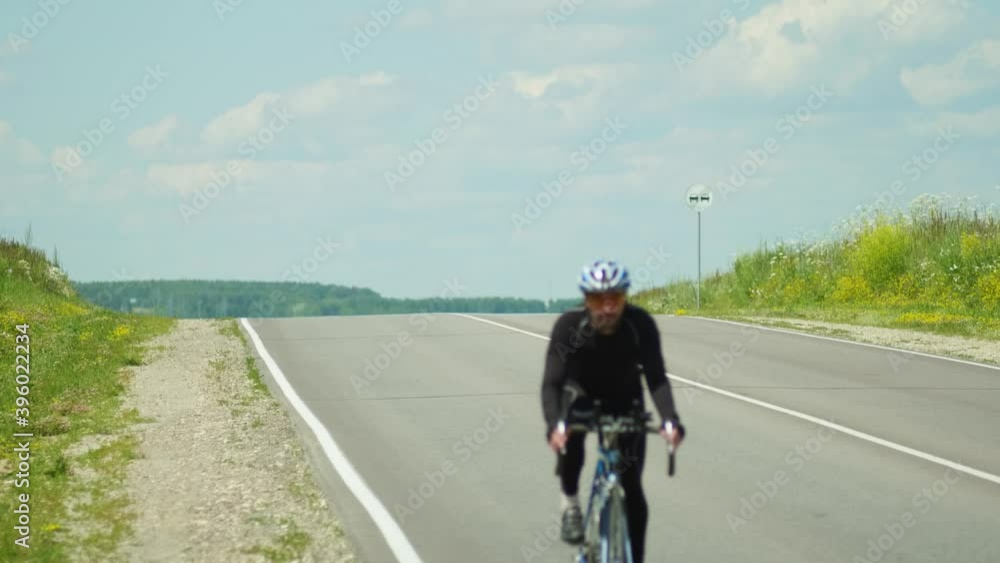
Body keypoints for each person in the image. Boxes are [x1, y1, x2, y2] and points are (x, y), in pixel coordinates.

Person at [541, 259, 685, 563]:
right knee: (571, 441)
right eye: (597, 300)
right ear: (585, 300)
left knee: (631, 487)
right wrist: (555, 425)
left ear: (624, 298)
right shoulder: (569, 327)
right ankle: (571, 504)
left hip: (625, 402)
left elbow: (656, 377)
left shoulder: (639, 324)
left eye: (615, 299)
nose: (607, 308)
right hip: (580, 399)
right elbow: (551, 383)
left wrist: (671, 420)